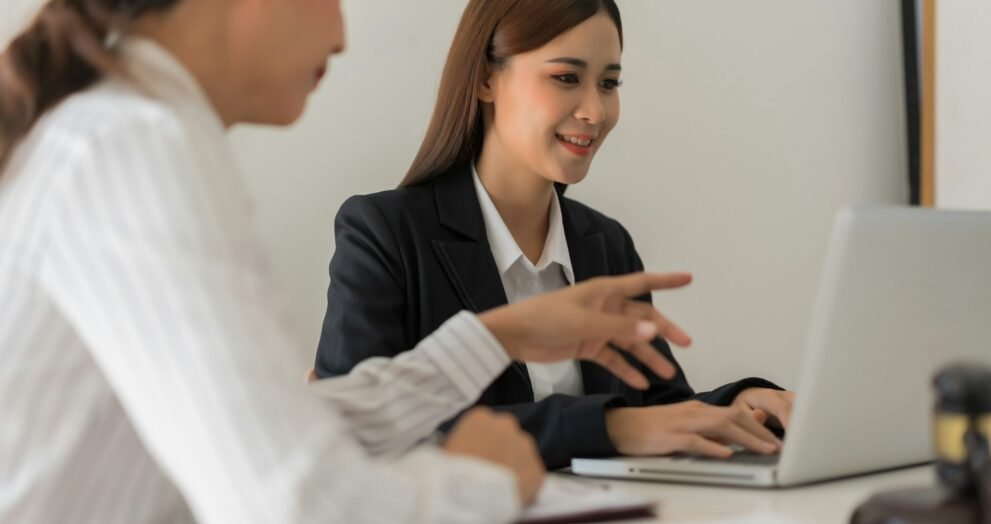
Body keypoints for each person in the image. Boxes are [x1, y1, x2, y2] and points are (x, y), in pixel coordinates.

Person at [0, 0, 696, 522]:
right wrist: (480, 483)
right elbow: (292, 501)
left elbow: (299, 425)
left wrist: (497, 337)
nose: (341, 33)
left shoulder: (129, 136)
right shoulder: (131, 149)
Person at [315, 0, 795, 470]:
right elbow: (353, 437)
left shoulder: (604, 243)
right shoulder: (384, 234)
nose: (595, 110)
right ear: (485, 78)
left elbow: (657, 413)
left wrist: (739, 404)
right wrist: (607, 428)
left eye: (609, 83)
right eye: (566, 77)